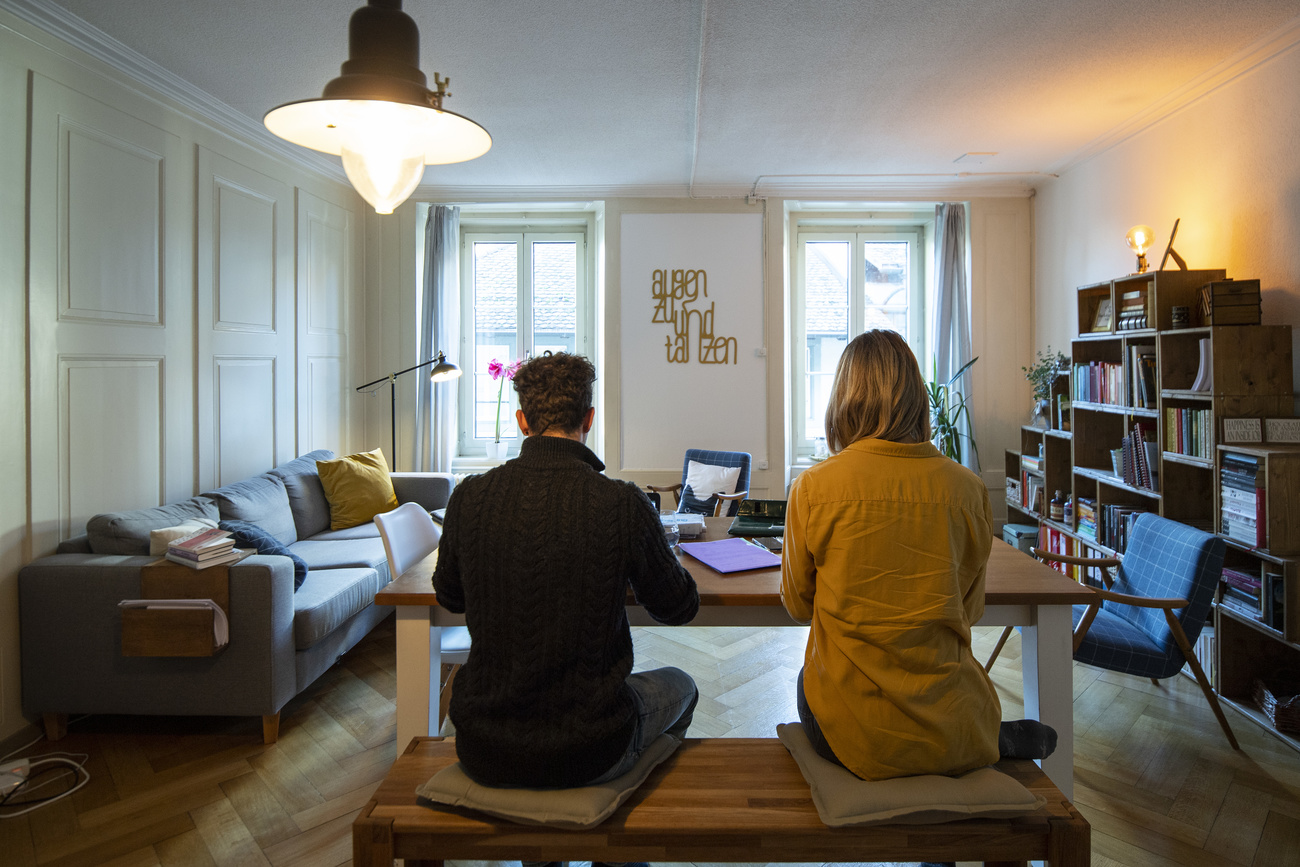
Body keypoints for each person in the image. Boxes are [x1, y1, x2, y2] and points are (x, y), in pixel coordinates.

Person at [433, 351, 700, 791]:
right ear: (589, 418)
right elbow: (677, 608)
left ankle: (538, 855)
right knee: (683, 687)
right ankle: (618, 832)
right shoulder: (621, 502)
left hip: (483, 746)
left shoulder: (470, 496)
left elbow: (450, 597)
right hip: (591, 747)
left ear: (522, 420)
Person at [780, 329, 1002, 781]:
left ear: (843, 400)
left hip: (851, 732)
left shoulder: (814, 488)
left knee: (806, 683)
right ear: (916, 398)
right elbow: (971, 610)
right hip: (952, 720)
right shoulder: (970, 490)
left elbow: (799, 606)